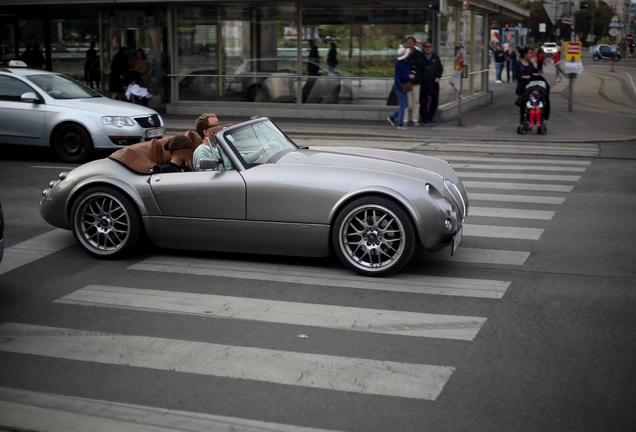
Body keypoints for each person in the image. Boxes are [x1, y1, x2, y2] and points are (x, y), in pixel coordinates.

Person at [193, 113, 270, 171]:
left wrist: (261, 151)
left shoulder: (220, 147)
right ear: (206, 132)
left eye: (220, 124)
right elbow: (208, 179)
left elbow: (240, 159)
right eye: (216, 125)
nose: (221, 127)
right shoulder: (201, 153)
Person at [419, 40, 443, 126]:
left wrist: (438, 76)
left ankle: (430, 117)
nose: (427, 48)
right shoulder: (421, 57)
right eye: (425, 47)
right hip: (423, 83)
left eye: (429, 47)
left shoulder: (435, 57)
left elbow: (440, 68)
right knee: (423, 101)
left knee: (434, 101)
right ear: (423, 48)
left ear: (431, 48)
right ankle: (424, 119)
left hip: (434, 83)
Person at [386, 45, 411, 130]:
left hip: (401, 86)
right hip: (400, 87)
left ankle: (393, 118)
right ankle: (400, 123)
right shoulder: (400, 64)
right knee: (403, 105)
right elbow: (400, 76)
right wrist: (409, 76)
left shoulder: (404, 62)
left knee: (405, 104)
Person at [403, 36, 424, 126]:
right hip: (406, 79)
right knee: (406, 101)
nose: (409, 42)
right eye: (408, 41)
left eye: (411, 41)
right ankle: (405, 119)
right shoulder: (403, 53)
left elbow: (419, 64)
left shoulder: (418, 54)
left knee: (416, 101)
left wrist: (411, 68)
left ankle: (415, 119)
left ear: (415, 43)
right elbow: (402, 64)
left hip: (416, 80)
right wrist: (412, 65)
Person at [515, 47, 538, 124]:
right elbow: (516, 76)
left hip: (530, 86)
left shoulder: (530, 63)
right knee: (523, 105)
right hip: (522, 86)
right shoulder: (518, 63)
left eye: (531, 53)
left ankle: (530, 118)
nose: (531, 54)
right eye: (529, 53)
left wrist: (533, 62)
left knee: (531, 103)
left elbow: (536, 70)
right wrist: (524, 77)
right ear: (525, 54)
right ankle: (522, 121)